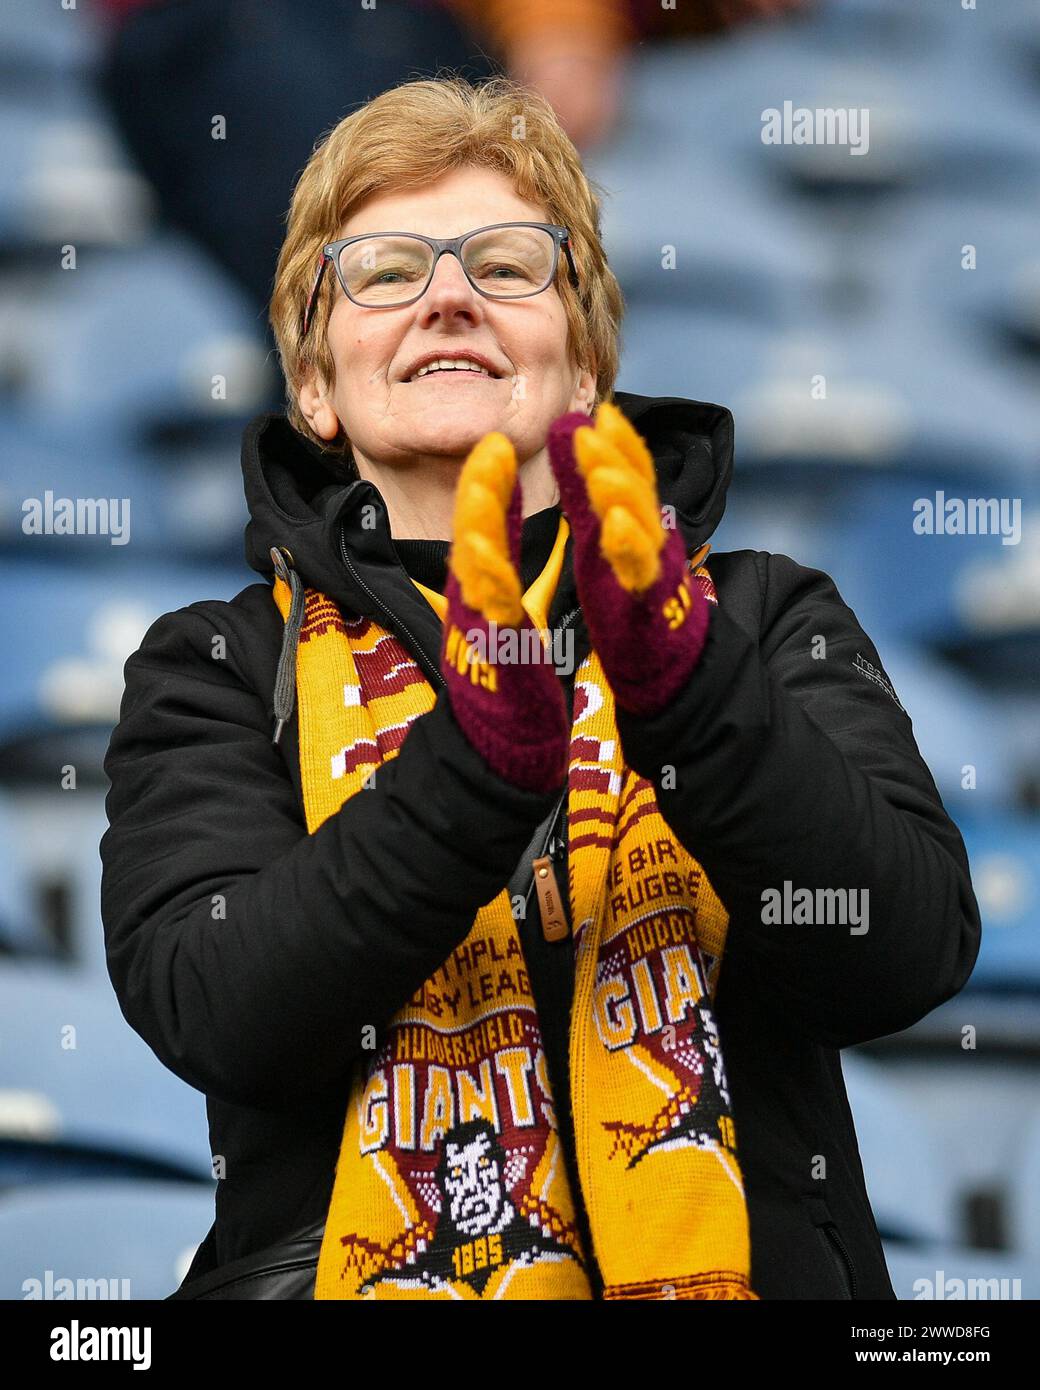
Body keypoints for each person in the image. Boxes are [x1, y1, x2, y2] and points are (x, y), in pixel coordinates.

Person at [100, 74, 981, 1300]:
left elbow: (899, 947)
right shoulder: (214, 664)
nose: (449, 295)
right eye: (387, 269)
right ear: (313, 385)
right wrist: (475, 768)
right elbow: (222, 1008)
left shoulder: (765, 614)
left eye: (508, 266)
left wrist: (686, 691)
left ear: (583, 366)